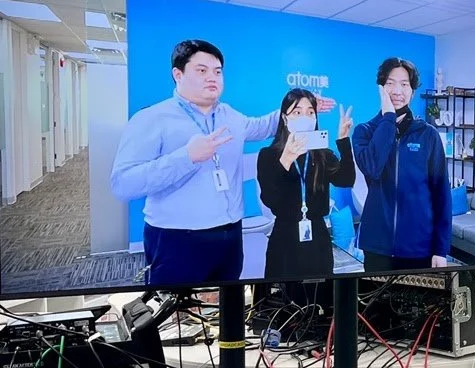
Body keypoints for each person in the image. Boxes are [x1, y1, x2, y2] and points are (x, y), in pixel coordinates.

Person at [110, 38, 334, 286]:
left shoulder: (230, 116)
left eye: (217, 72)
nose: (212, 78)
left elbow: (262, 126)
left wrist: (300, 107)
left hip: (230, 235)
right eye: (201, 70)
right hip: (178, 239)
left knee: (227, 305)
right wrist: (186, 157)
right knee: (181, 308)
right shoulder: (152, 118)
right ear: (178, 74)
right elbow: (123, 184)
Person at [351, 57, 452, 272]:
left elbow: (441, 194)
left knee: (416, 295)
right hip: (377, 245)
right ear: (380, 88)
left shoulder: (428, 135)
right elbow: (372, 167)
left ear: (412, 92)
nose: (397, 91)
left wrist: (441, 249)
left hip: (419, 246)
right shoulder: (364, 132)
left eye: (404, 84)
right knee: (374, 295)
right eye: (390, 83)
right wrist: (388, 118)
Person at [257, 89, 355, 280]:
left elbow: (346, 180)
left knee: (320, 294)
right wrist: (285, 161)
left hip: (318, 238)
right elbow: (270, 199)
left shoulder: (322, 155)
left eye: (310, 112)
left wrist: (343, 140)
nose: (305, 117)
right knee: (285, 295)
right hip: (285, 239)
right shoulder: (268, 155)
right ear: (285, 118)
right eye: (297, 112)